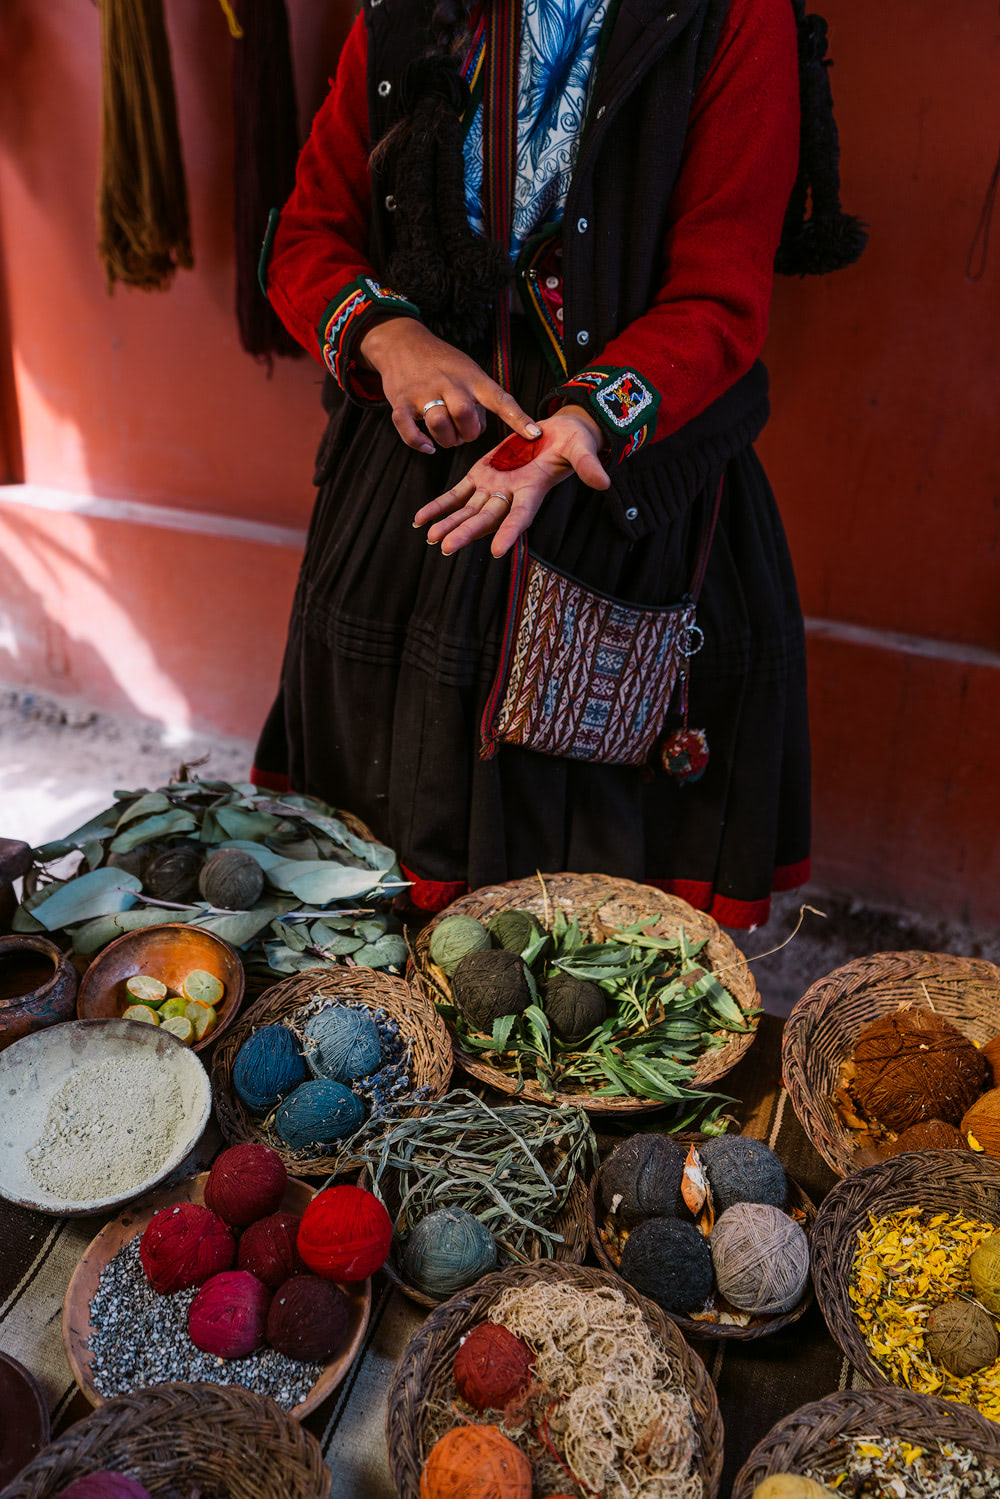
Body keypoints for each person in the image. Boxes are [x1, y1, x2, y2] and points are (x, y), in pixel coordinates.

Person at [252, 0, 865, 927]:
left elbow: (720, 297)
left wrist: (581, 421)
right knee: (376, 879)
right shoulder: (401, 11)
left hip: (621, 487)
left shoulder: (733, 16)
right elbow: (306, 236)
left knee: (587, 932)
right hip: (415, 487)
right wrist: (391, 336)